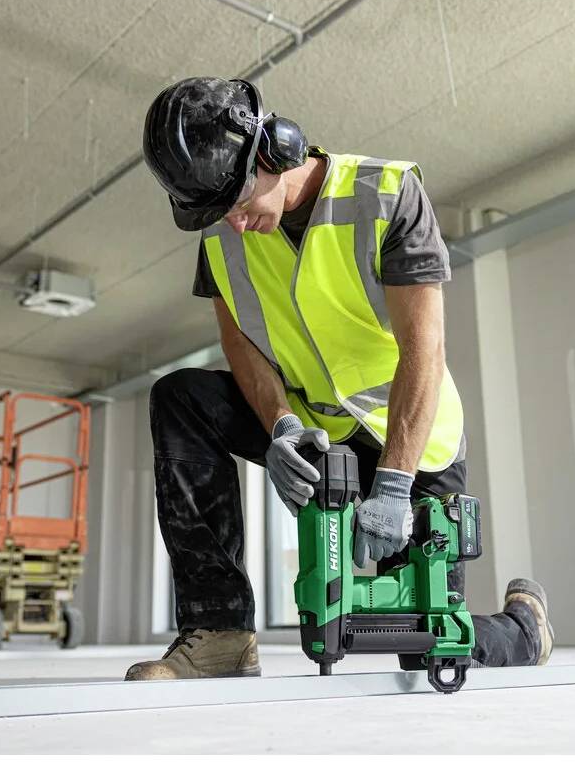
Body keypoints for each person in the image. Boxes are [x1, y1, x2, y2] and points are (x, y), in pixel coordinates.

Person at [127, 76, 553, 681]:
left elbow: (422, 351)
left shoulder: (386, 194)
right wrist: (280, 426)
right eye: (220, 214)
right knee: (182, 397)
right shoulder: (223, 235)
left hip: (410, 439)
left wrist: (396, 484)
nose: (236, 224)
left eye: (242, 203)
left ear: (276, 149)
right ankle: (220, 631)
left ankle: (521, 630)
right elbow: (241, 344)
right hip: (315, 428)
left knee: (421, 638)